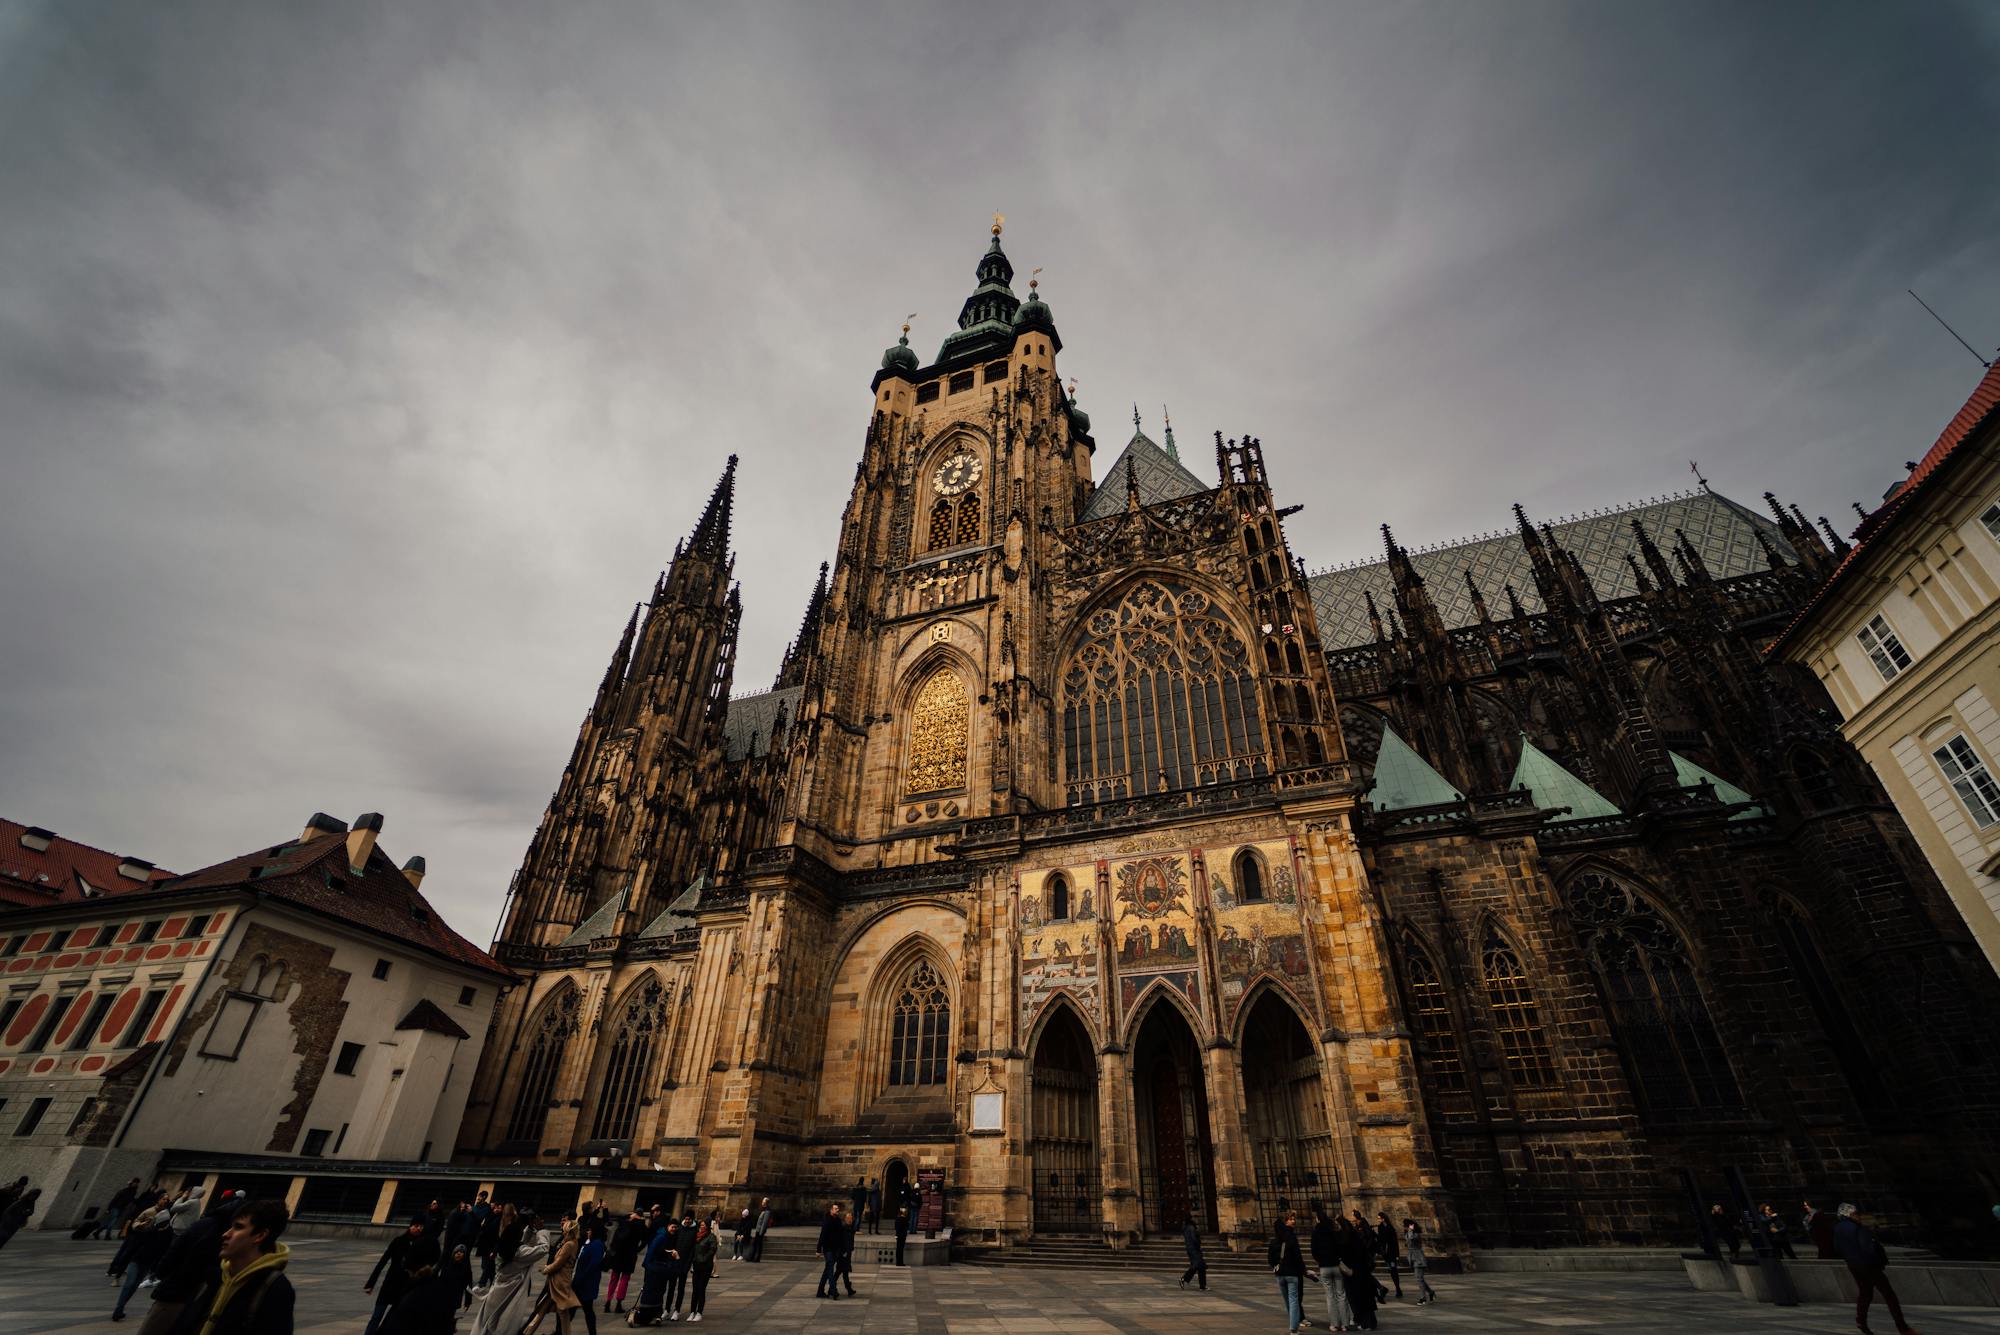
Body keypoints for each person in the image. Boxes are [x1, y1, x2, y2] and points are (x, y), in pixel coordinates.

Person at [178, 1198, 294, 1335]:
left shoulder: (274, 1289)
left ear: (260, 1235)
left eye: (238, 1227)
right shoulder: (213, 1276)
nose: (226, 1234)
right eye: (230, 1227)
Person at [1834, 1203, 1919, 1335]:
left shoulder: (1838, 1228)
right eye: (1856, 1214)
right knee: (1889, 1294)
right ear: (1849, 1214)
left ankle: (1861, 1321)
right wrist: (1878, 1262)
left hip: (1853, 1265)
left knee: (1865, 1292)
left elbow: (1837, 1249)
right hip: (1869, 1265)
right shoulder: (1858, 1228)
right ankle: (1903, 1327)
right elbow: (1868, 1249)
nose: (1859, 1217)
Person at [470, 1208, 547, 1335]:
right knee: (502, 1325)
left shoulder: (504, 1251)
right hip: (509, 1297)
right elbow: (543, 1249)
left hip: (496, 1293)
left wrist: (528, 1228)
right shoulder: (519, 1254)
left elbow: (521, 1242)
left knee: (485, 1323)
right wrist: (541, 1230)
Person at [364, 1218, 438, 1335]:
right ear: (410, 1226)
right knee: (376, 1316)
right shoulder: (398, 1241)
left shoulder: (422, 1244)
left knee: (394, 1319)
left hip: (405, 1286)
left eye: (421, 1226)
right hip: (390, 1283)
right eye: (416, 1225)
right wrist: (371, 1283)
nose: (418, 1228)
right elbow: (382, 1262)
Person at [111, 1213, 174, 1321]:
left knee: (134, 1286)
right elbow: (131, 1249)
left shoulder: (167, 1235)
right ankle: (118, 1309)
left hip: (147, 1263)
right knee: (129, 1284)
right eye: (163, 1223)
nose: (164, 1225)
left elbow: (163, 1253)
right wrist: (120, 1269)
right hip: (136, 1261)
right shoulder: (147, 1233)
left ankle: (120, 1308)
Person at [524, 1216, 581, 1334]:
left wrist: (546, 1269)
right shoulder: (570, 1243)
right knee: (542, 1309)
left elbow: (558, 1263)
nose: (562, 1229)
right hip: (556, 1282)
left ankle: (527, 1332)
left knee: (560, 1312)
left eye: (564, 1227)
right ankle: (527, 1332)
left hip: (559, 1283)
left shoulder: (569, 1244)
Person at [1267, 1208, 1310, 1335]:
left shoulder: (1274, 1241)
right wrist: (1303, 1270)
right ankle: (1293, 1327)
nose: (1293, 1221)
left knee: (1288, 1301)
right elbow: (1297, 1256)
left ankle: (1294, 1323)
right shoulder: (1290, 1238)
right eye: (1291, 1219)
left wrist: (1275, 1267)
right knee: (1294, 1301)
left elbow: (1270, 1259)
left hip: (1280, 1275)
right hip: (1292, 1273)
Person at [629, 1212, 672, 1326]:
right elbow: (652, 1251)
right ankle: (652, 1314)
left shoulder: (663, 1235)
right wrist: (648, 1265)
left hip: (656, 1267)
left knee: (656, 1291)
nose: (674, 1229)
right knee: (655, 1291)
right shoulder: (662, 1237)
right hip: (655, 1267)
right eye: (672, 1227)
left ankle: (655, 1314)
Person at [1310, 1207, 1350, 1330]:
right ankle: (1345, 1324)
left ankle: (1334, 1324)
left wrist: (1320, 1260)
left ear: (1318, 1219)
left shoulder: (1316, 1233)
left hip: (1324, 1267)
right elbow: (1341, 1246)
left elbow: (1314, 1251)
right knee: (1341, 1295)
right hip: (1336, 1265)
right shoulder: (1333, 1230)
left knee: (1330, 1296)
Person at [1340, 1214, 1379, 1331]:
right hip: (1361, 1270)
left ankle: (1365, 1322)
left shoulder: (1347, 1239)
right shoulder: (1354, 1236)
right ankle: (1367, 1322)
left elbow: (1349, 1255)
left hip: (1355, 1272)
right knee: (1363, 1297)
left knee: (1358, 1297)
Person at [606, 1211, 644, 1311]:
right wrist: (639, 1219)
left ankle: (608, 1301)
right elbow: (645, 1233)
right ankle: (619, 1302)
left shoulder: (621, 1226)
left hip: (618, 1255)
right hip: (629, 1256)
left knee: (613, 1278)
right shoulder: (637, 1227)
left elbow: (613, 1242)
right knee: (624, 1280)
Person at [572, 1222, 605, 1335]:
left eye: (590, 1230)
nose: (588, 1232)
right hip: (581, 1282)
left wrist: (580, 1278)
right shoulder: (590, 1243)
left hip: (586, 1283)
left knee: (587, 1309)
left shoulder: (597, 1244)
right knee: (575, 1309)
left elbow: (593, 1264)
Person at [688, 1216, 717, 1323]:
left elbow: (712, 1250)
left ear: (708, 1226)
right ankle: (692, 1312)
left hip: (705, 1266)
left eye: (704, 1225)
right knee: (695, 1290)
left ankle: (699, 1312)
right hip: (696, 1266)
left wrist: (703, 1259)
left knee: (701, 1289)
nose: (701, 1227)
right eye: (701, 1225)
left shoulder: (711, 1237)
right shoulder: (697, 1236)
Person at [815, 1203, 847, 1299]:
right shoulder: (827, 1221)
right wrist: (818, 1249)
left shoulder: (838, 1221)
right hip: (828, 1249)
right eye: (835, 1209)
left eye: (838, 1209)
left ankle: (820, 1292)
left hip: (835, 1249)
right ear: (831, 1210)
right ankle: (834, 1291)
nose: (837, 1210)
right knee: (830, 1268)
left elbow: (841, 1236)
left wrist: (843, 1248)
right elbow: (822, 1235)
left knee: (827, 1270)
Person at [1404, 1219, 1437, 1304]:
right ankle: (1431, 1292)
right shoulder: (1408, 1233)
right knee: (1420, 1279)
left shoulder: (1416, 1234)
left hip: (1418, 1258)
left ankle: (1423, 1298)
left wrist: (1411, 1229)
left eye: (1406, 1226)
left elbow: (1411, 1239)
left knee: (1419, 1279)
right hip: (1412, 1257)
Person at [475, 1200, 505, 1288]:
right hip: (486, 1243)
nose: (497, 1209)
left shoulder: (501, 1219)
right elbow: (484, 1225)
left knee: (487, 1264)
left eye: (499, 1208)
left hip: (492, 1244)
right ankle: (492, 1280)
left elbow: (493, 1230)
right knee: (487, 1265)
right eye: (496, 1208)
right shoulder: (492, 1215)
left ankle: (482, 1282)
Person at [1374, 1212, 1402, 1300]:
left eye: (1379, 1218)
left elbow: (1394, 1241)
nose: (1378, 1220)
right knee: (1391, 1269)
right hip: (1385, 1253)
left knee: (1393, 1269)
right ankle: (1398, 1288)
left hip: (1392, 1252)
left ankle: (1398, 1288)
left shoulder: (1390, 1227)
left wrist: (1397, 1254)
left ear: (1383, 1218)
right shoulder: (1380, 1227)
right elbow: (1380, 1239)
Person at [1179, 1214, 1207, 1291]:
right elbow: (1194, 1239)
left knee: (1200, 1266)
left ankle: (1202, 1286)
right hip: (1194, 1249)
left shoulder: (1185, 1228)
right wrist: (1198, 1245)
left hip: (1190, 1249)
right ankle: (1183, 1278)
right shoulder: (1191, 1228)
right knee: (1197, 1265)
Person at [836, 1208, 859, 1297]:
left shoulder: (850, 1229)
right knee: (839, 1271)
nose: (850, 1220)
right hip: (843, 1253)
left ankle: (849, 1289)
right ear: (845, 1219)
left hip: (847, 1253)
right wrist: (843, 1252)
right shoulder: (844, 1228)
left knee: (844, 1272)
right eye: (848, 1218)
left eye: (851, 1218)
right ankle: (833, 1288)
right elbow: (841, 1241)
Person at [750, 1197, 771, 1263]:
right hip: (758, 1230)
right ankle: (752, 1257)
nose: (762, 1203)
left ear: (766, 1203)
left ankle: (757, 1258)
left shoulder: (767, 1211)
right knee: (755, 1244)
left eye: (763, 1202)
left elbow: (764, 1223)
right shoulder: (763, 1210)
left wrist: (761, 1232)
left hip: (760, 1231)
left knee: (759, 1244)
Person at [893, 1192, 911, 1266]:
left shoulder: (899, 1218)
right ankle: (899, 1262)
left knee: (899, 1249)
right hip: (901, 1235)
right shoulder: (902, 1219)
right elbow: (904, 1226)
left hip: (900, 1235)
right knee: (900, 1249)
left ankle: (899, 1262)